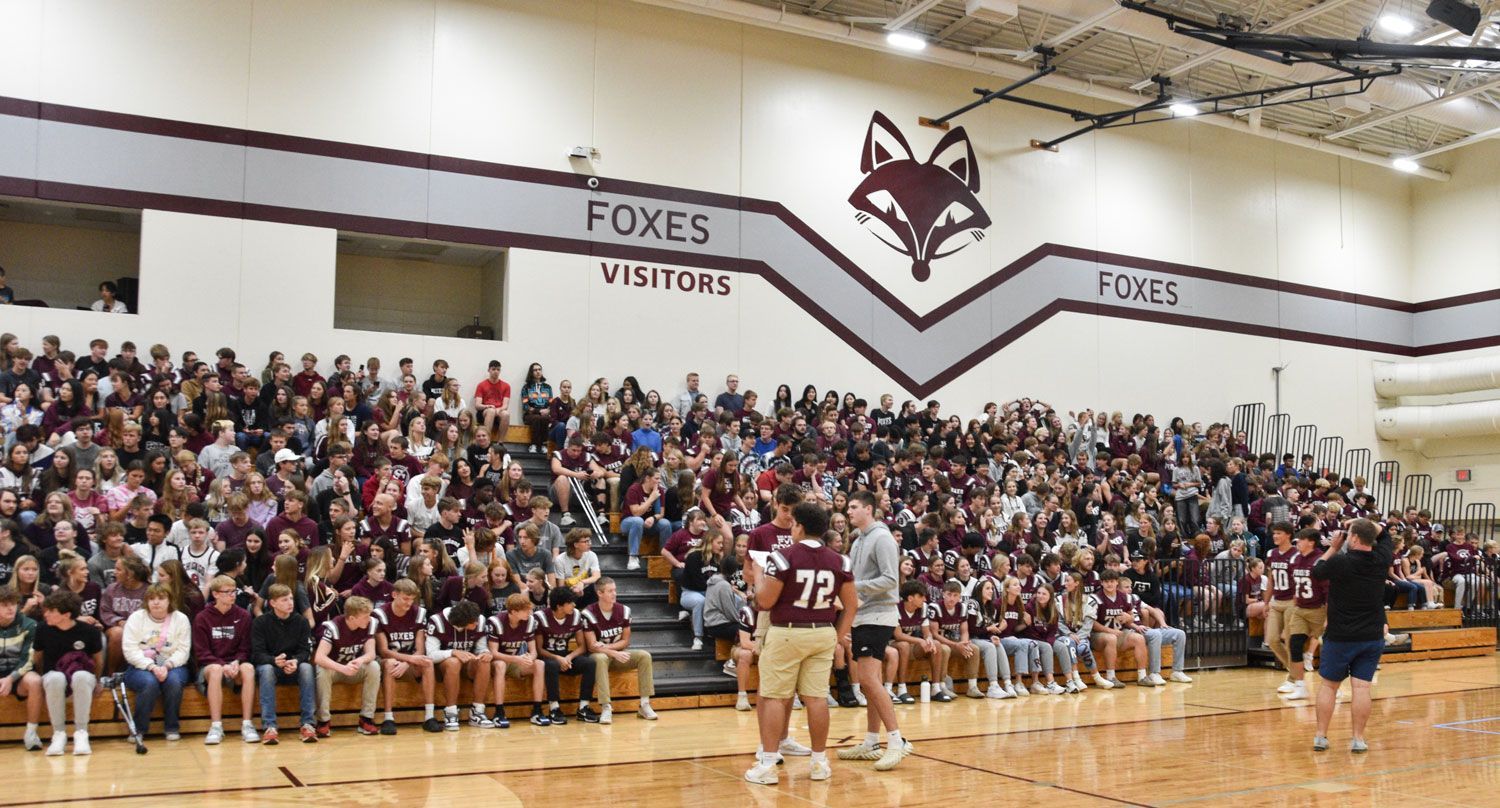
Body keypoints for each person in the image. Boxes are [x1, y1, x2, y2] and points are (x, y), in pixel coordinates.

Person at [744, 502, 855, 786]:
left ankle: (768, 765)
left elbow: (766, 602)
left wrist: (758, 575)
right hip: (822, 632)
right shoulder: (841, 561)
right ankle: (819, 763)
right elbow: (852, 606)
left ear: (800, 527)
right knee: (816, 698)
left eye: (793, 524)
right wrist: (838, 636)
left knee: (772, 696)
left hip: (788, 632)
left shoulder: (782, 557)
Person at [839, 489, 911, 771]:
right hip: (862, 615)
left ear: (868, 509)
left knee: (868, 680)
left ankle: (896, 741)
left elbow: (891, 580)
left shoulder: (882, 537)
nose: (849, 511)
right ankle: (871, 741)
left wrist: (853, 588)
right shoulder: (858, 541)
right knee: (871, 682)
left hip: (878, 616)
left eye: (854, 507)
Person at [1311, 518, 1393, 753]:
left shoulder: (1340, 561)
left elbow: (1317, 571)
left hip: (1340, 635)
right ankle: (1358, 739)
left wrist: (1333, 547)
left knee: (1329, 686)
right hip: (1371, 634)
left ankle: (1321, 736)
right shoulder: (1381, 559)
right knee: (1362, 688)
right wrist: (1363, 522)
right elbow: (1384, 533)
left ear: (1354, 538)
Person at [34, 589, 102, 755]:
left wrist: (97, 681)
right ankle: (58, 734)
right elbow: (37, 659)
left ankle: (81, 733)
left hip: (82, 677)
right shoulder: (43, 630)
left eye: (51, 611)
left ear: (66, 614)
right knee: (55, 678)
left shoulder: (89, 631)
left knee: (81, 676)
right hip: (54, 675)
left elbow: (98, 660)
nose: (46, 614)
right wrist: (43, 679)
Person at [193, 575, 259, 744]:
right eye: (227, 592)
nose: (232, 595)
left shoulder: (243, 615)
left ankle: (247, 724)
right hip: (210, 665)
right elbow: (202, 653)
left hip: (234, 663)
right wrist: (223, 665)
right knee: (215, 670)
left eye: (234, 591)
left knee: (249, 668)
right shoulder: (202, 618)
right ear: (215, 594)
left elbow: (245, 648)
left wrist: (237, 661)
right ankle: (216, 726)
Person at [120, 583, 191, 741]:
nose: (156, 602)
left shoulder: (181, 619)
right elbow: (130, 650)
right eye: (152, 599)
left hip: (173, 665)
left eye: (161, 598)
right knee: (149, 682)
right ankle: (138, 729)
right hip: (141, 665)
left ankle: (172, 727)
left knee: (173, 681)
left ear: (169, 600)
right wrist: (151, 666)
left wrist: (167, 665)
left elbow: (183, 651)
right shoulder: (136, 618)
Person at [583, 576, 657, 725]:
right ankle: (606, 706)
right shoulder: (588, 613)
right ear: (599, 593)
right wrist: (609, 651)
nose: (614, 594)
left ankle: (644, 704)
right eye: (610, 591)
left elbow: (625, 641)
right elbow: (591, 646)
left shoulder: (624, 610)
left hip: (617, 655)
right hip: (597, 659)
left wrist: (607, 648)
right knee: (600, 658)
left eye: (615, 590)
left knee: (644, 656)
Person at [251, 583, 316, 744]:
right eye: (285, 600)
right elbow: (256, 653)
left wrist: (296, 660)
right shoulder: (261, 622)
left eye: (291, 599)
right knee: (266, 670)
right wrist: (273, 661)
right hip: (271, 665)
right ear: (273, 603)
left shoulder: (301, 621)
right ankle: (270, 726)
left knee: (307, 668)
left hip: (293, 665)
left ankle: (308, 724)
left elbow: (305, 650)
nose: (290, 603)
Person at [373, 578, 439, 734]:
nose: (409, 603)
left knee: (427, 663)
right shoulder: (380, 614)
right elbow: (383, 651)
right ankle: (389, 718)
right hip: (389, 660)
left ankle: (429, 716)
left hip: (410, 661)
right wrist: (408, 660)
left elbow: (420, 648)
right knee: (390, 663)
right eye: (405, 598)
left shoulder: (419, 613)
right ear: (394, 594)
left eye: (412, 599)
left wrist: (408, 663)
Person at [313, 595, 381, 737]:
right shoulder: (334, 627)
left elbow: (371, 654)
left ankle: (366, 718)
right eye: (365, 616)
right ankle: (323, 721)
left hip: (353, 669)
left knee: (373, 666)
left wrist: (360, 660)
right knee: (323, 670)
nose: (369, 619)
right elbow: (319, 657)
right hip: (335, 670)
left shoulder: (370, 624)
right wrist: (342, 668)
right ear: (351, 618)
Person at [425, 598, 493, 730]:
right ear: (462, 623)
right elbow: (431, 655)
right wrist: (453, 652)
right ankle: (450, 711)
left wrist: (485, 652)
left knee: (484, 662)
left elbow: (481, 647)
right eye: (474, 622)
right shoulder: (437, 621)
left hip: (467, 664)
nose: (477, 623)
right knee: (453, 662)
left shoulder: (480, 621)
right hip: (443, 666)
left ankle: (477, 711)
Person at [535, 585, 597, 724]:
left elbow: (582, 646)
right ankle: (554, 708)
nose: (574, 605)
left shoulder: (575, 615)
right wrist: (558, 658)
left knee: (590, 663)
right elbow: (539, 650)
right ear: (559, 606)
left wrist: (568, 657)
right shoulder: (540, 617)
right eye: (570, 602)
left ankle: (584, 707)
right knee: (550, 665)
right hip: (548, 656)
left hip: (566, 655)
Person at [487, 592, 549, 728]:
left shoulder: (530, 622)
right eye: (526, 610)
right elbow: (493, 653)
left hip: (516, 661)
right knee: (500, 665)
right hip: (498, 662)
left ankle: (537, 711)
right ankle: (499, 712)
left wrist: (529, 658)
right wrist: (515, 658)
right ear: (514, 612)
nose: (530, 612)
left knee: (539, 664)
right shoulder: (496, 622)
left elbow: (533, 651)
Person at [1282, 528, 1328, 702]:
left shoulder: (1321, 560)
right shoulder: (1296, 559)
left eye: (1301, 539)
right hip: (1300, 609)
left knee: (1328, 647)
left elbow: (1328, 590)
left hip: (1318, 609)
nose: (1297, 542)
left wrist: (1329, 617)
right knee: (1295, 644)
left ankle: (1332, 685)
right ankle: (1300, 686)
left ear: (1311, 542)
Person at [0, 586, 44, 750]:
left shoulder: (29, 625)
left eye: (13, 604)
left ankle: (31, 734)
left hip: (18, 677)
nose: (10, 608)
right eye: (4, 605)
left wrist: (11, 678)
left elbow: (28, 658)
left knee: (35, 681)